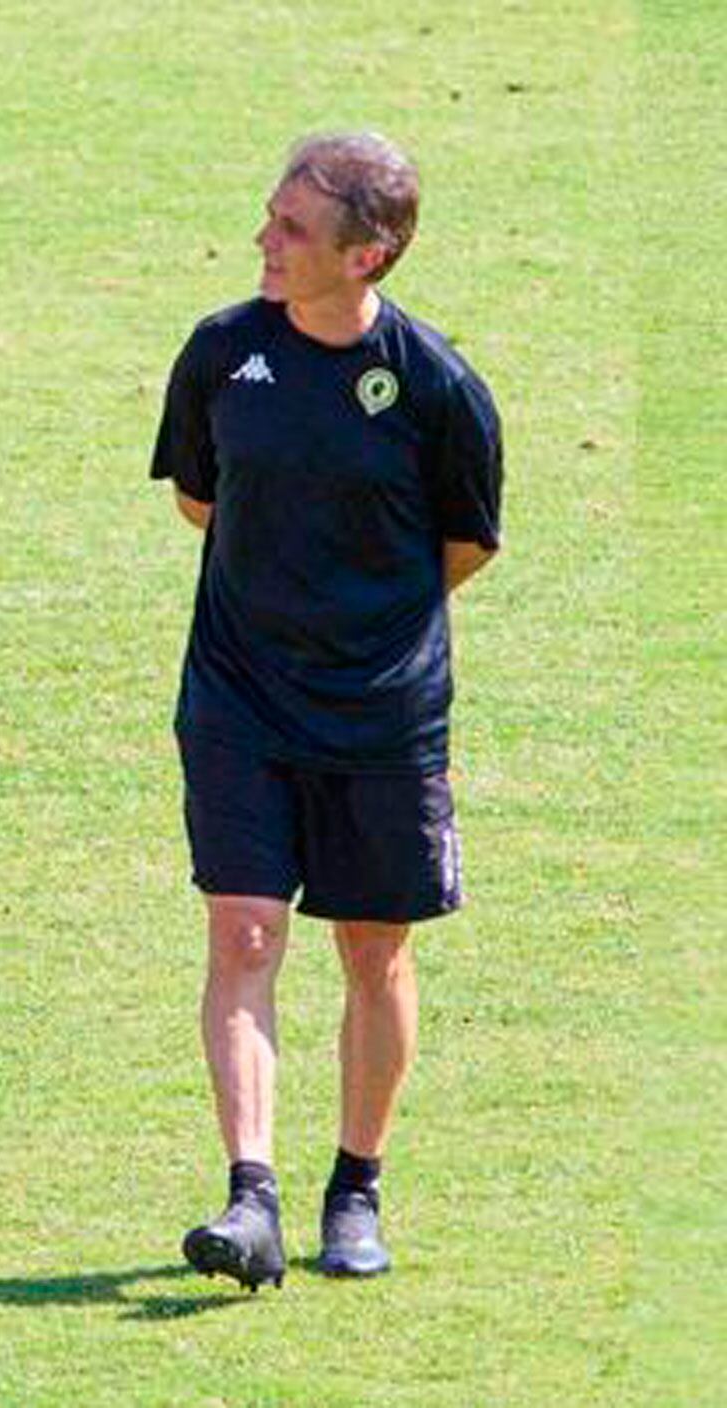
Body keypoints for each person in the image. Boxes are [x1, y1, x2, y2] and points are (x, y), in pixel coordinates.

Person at [149, 132, 503, 1289]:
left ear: (369, 254)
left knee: (371, 945)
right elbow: (204, 501)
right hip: (240, 700)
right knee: (244, 931)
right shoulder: (221, 354)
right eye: (270, 216)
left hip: (382, 717)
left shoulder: (439, 388)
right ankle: (249, 1199)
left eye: (293, 229)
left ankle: (355, 1185)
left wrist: (356, 633)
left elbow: (463, 545)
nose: (264, 239)